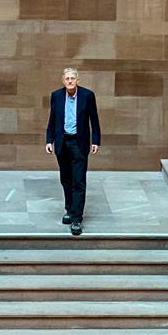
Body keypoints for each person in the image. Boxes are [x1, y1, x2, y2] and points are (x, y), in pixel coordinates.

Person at [44, 66, 101, 236]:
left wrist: (96, 141)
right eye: (67, 78)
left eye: (72, 78)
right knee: (66, 179)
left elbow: (94, 119)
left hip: (79, 143)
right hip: (62, 142)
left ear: (77, 80)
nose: (70, 81)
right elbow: (52, 119)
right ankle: (69, 209)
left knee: (79, 181)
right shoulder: (56, 96)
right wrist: (49, 140)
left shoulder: (87, 96)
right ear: (63, 80)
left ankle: (76, 218)